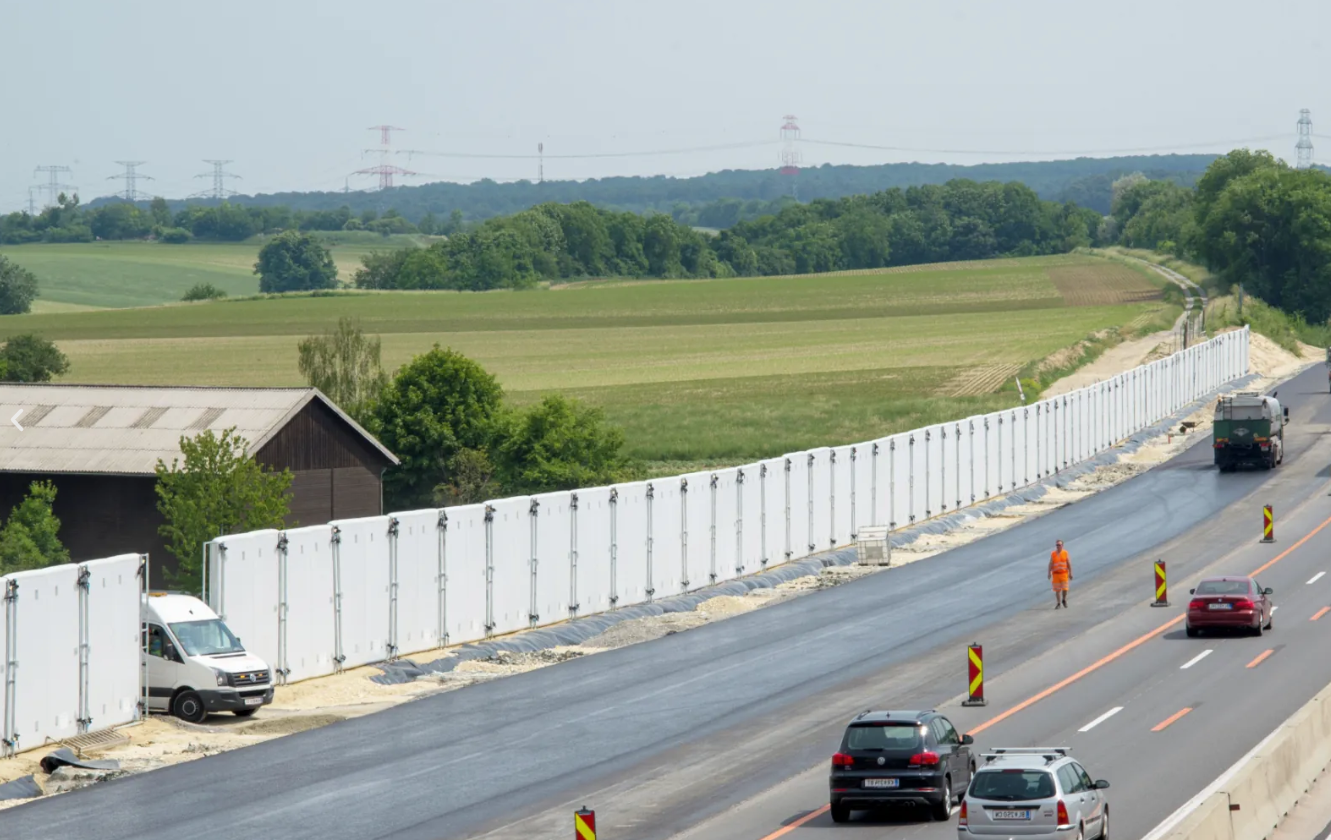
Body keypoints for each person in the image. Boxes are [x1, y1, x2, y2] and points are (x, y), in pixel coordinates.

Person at [1049, 540, 1071, 609]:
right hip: (1056, 574)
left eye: (1059, 545)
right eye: (1057, 545)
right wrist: (1049, 572)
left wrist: (1070, 573)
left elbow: (1068, 563)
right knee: (1057, 590)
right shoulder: (1053, 554)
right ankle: (1058, 603)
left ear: (1062, 546)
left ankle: (1064, 599)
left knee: (1065, 589)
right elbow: (1050, 563)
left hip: (1064, 573)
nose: (1058, 546)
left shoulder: (1065, 553)